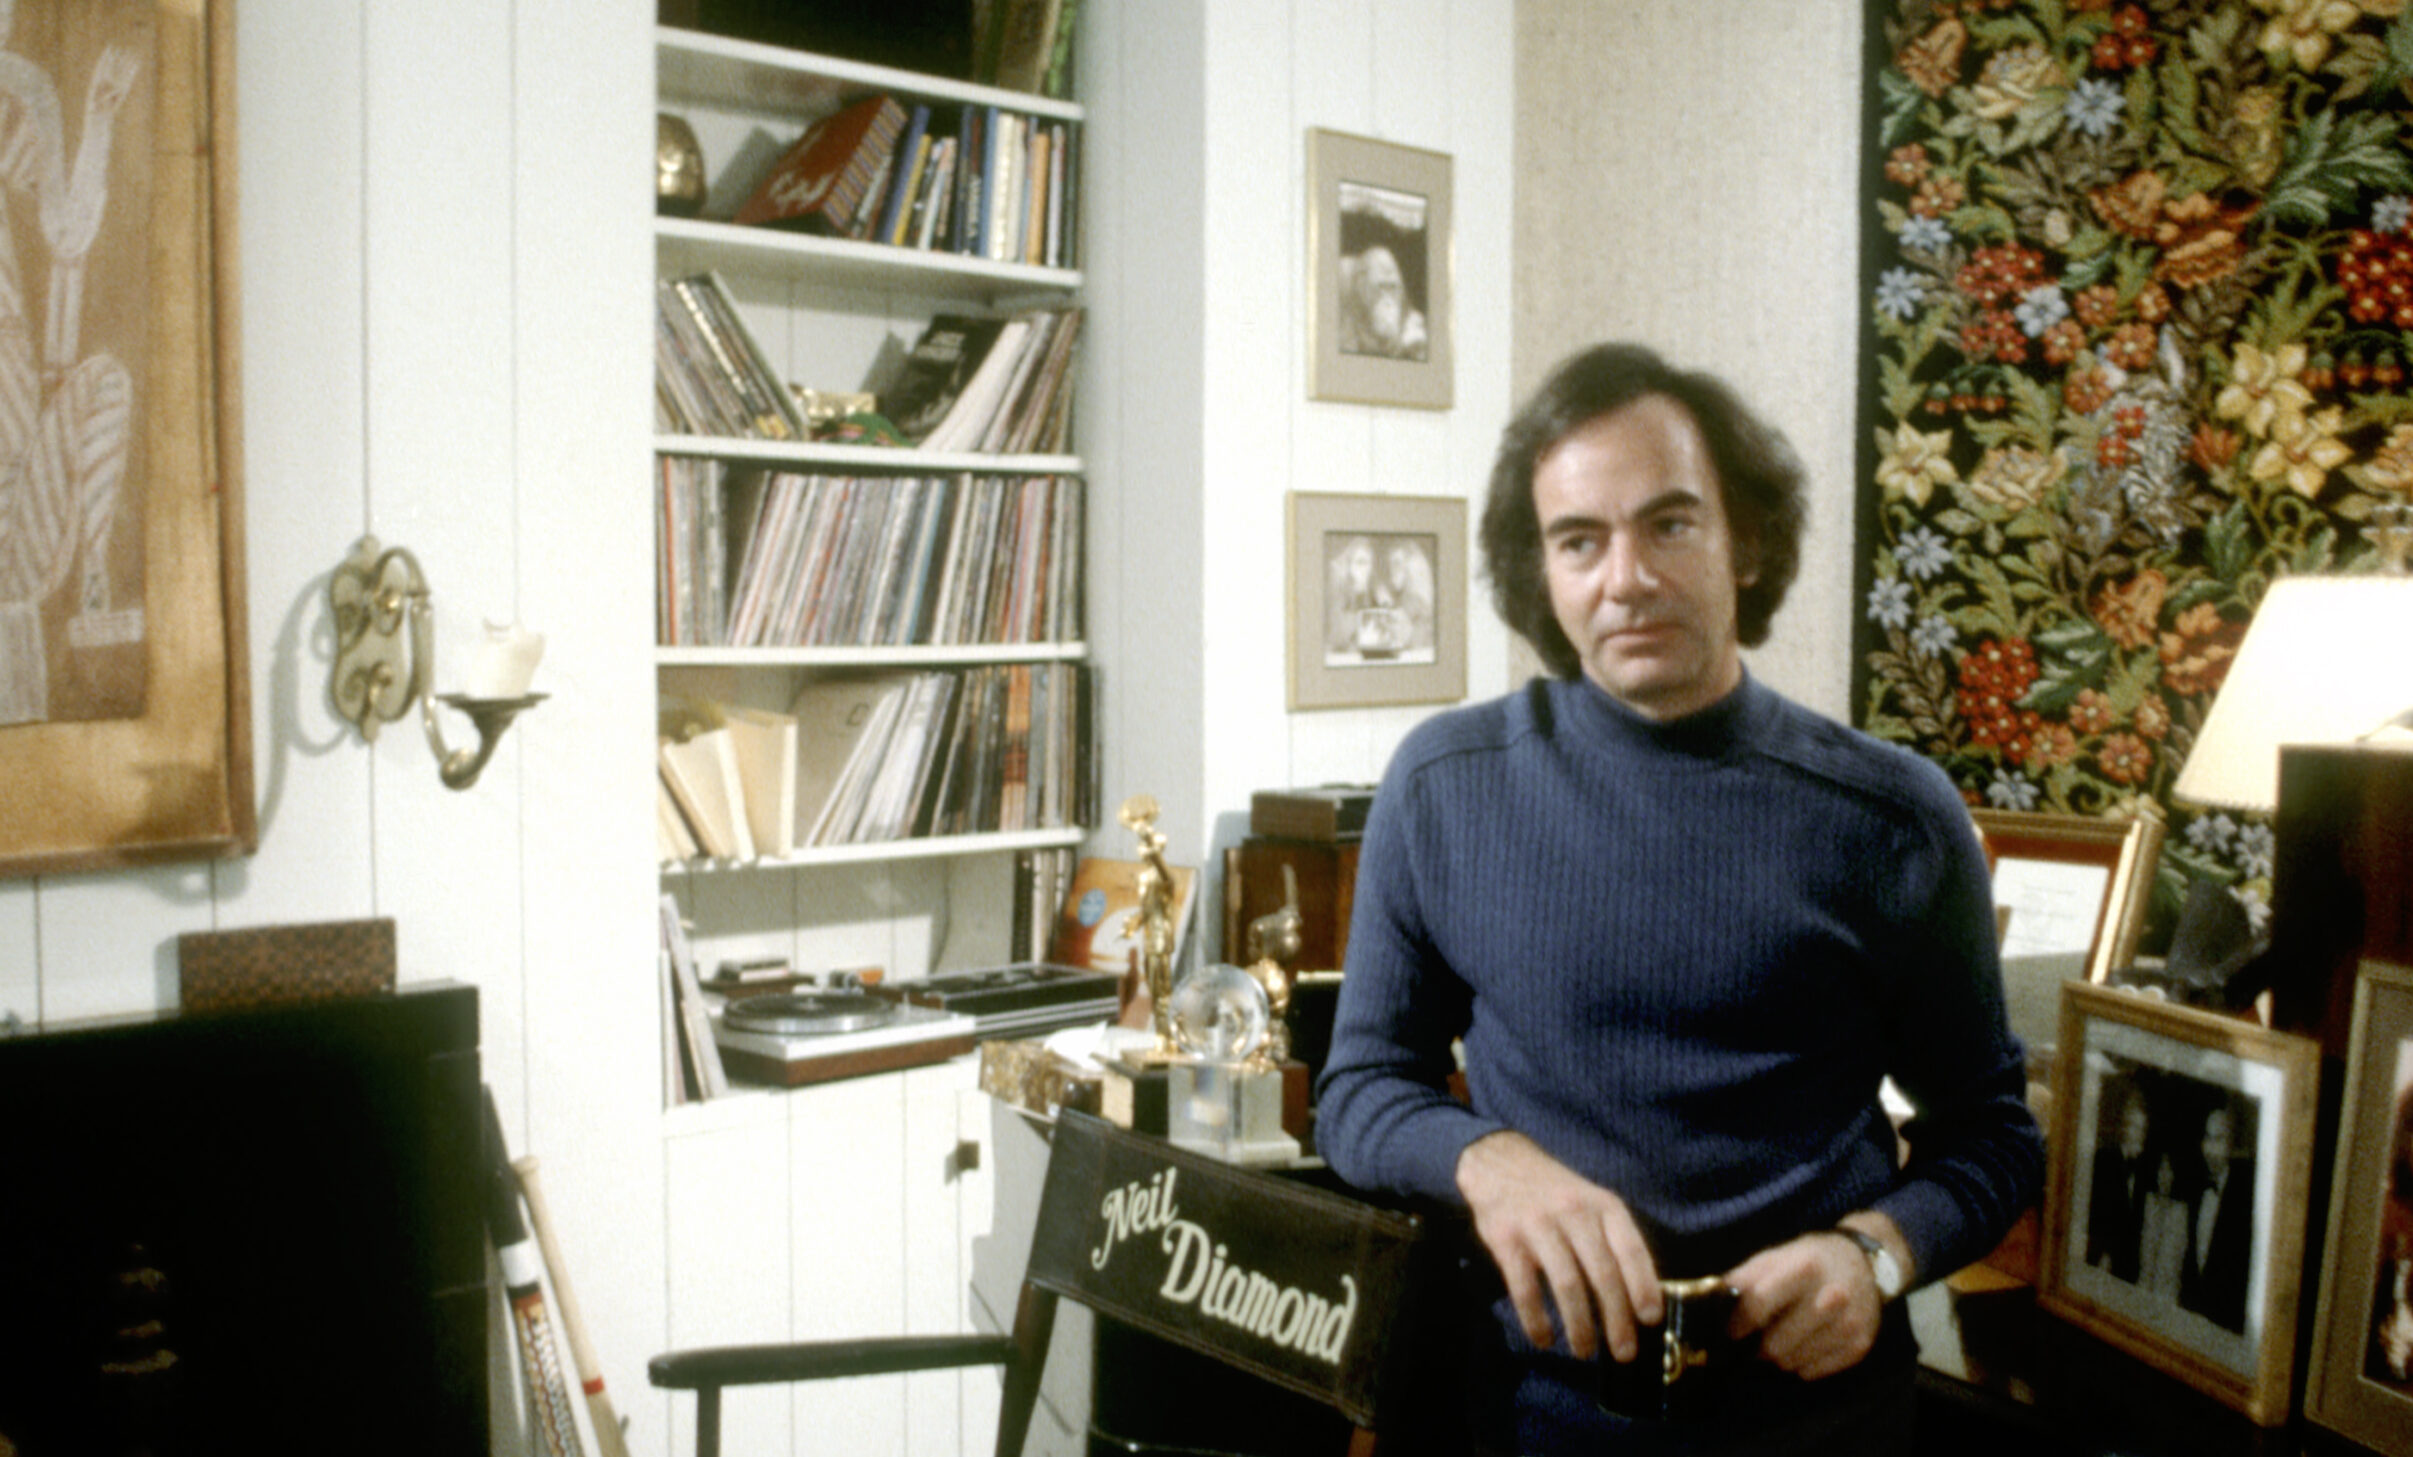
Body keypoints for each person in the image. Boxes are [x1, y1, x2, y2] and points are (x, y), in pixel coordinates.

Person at [1313, 343, 2043, 1454]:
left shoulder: (1897, 816)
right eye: (1579, 540)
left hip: (1818, 1425)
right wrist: (1486, 1161)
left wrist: (1876, 1253)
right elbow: (1360, 1090)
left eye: (1668, 524)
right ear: (1541, 571)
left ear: (1745, 541)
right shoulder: (1443, 784)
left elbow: (1991, 1134)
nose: (1626, 578)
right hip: (1523, 1417)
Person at [2177, 1100, 2254, 1333]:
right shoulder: (2194, 1188)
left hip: (2226, 1327)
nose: (2210, 1149)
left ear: (2231, 1144)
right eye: (2207, 1138)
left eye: (2218, 1140)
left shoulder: (2244, 1201)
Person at [2086, 1080, 2153, 1284]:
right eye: (2135, 1127)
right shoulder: (2104, 1159)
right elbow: (2096, 1214)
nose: (2139, 1135)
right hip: (2102, 1262)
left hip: (2130, 1269)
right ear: (2124, 1126)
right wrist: (2103, 1255)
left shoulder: (2145, 1170)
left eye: (2143, 1129)